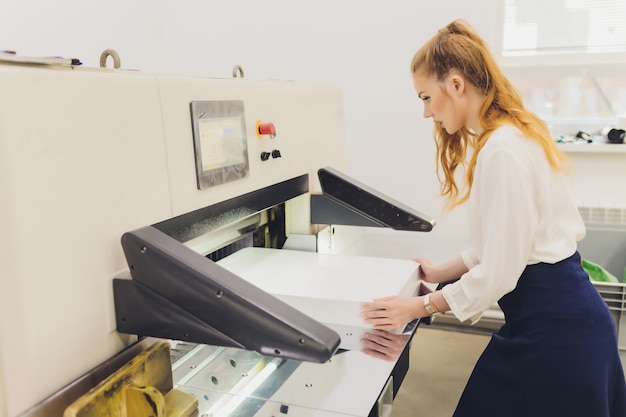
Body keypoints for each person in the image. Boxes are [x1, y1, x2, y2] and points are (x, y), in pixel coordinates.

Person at [360, 19, 626, 417]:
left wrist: (418, 307)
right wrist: (437, 271)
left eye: (426, 97)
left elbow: (500, 270)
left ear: (455, 84)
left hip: (555, 335)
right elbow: (497, 246)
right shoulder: (513, 135)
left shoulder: (502, 151)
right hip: (561, 321)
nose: (425, 112)